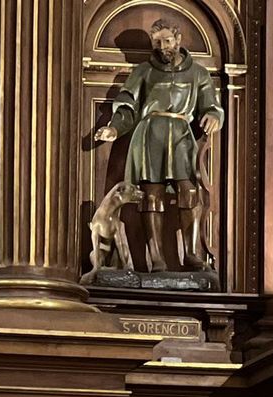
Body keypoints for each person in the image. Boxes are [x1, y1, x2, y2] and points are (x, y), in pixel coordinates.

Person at [93, 17, 223, 273]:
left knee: (189, 192)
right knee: (151, 196)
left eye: (167, 41)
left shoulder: (198, 73)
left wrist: (214, 116)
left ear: (178, 39)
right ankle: (156, 258)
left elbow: (210, 104)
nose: (163, 47)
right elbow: (128, 105)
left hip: (182, 134)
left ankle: (191, 254)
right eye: (157, 42)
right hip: (150, 134)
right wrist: (114, 127)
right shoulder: (143, 71)